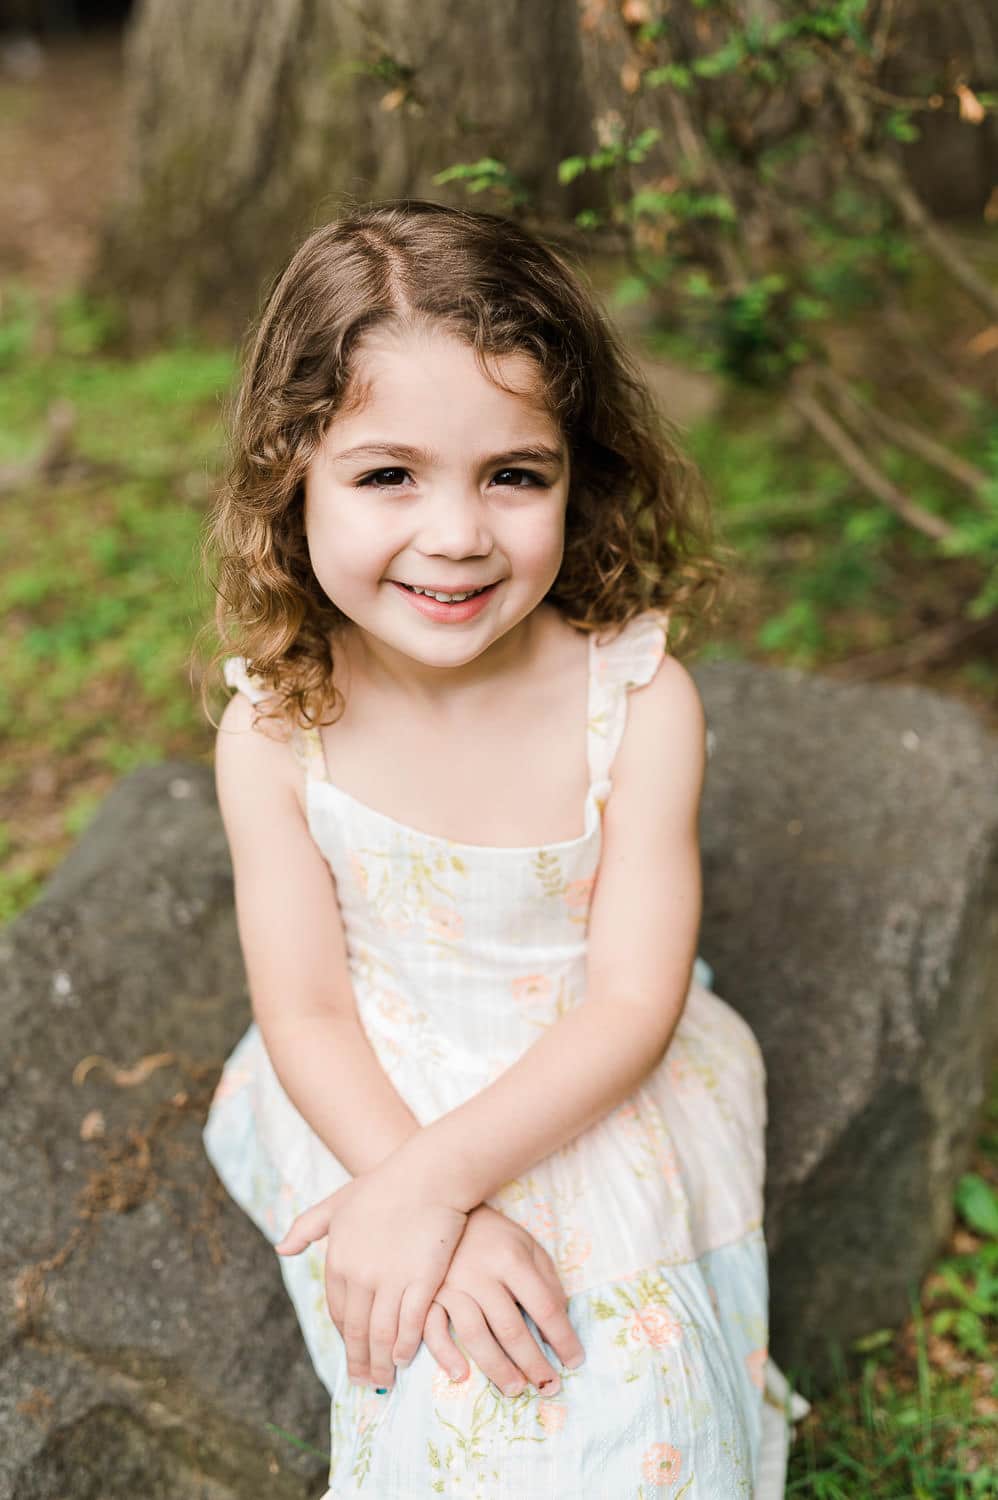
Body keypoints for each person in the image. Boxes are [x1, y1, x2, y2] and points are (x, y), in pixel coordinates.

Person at [200, 198, 809, 1499]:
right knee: (440, 1365)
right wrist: (419, 1196)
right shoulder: (273, 733)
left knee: (628, 1381)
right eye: (387, 474)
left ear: (574, 470)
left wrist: (443, 1185)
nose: (458, 534)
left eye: (511, 474)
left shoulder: (634, 702)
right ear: (288, 470)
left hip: (586, 1067)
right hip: (368, 1080)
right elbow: (302, 1009)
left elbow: (635, 999)